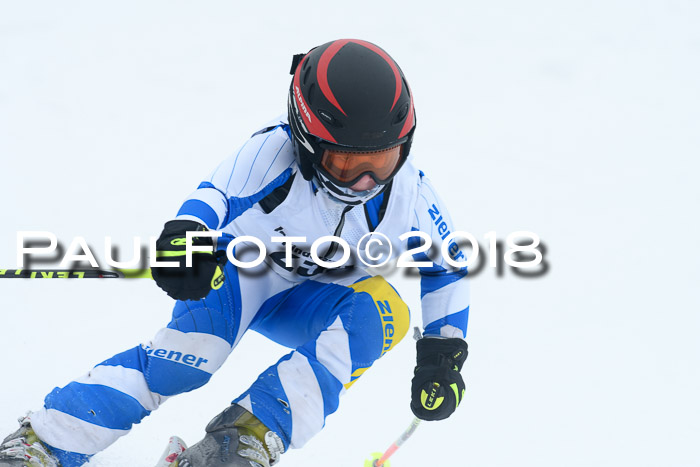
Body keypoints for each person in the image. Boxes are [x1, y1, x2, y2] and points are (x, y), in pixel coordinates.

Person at [0, 38, 470, 467]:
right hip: (240, 279)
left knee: (386, 312)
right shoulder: (274, 155)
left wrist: (442, 354)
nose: (366, 183)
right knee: (185, 361)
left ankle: (241, 439)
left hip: (316, 300)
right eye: (346, 163)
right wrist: (186, 241)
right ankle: (46, 441)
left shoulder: (410, 195)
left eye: (382, 161)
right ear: (308, 142)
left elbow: (447, 266)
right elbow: (213, 198)